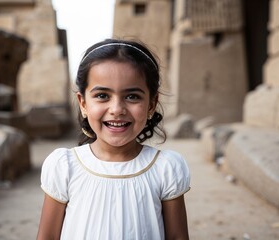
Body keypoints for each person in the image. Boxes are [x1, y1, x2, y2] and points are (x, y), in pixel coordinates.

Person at [37, 38, 191, 240]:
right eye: (102, 95)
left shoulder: (165, 168)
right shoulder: (64, 166)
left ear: (152, 105)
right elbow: (47, 236)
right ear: (83, 103)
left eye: (132, 96)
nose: (117, 109)